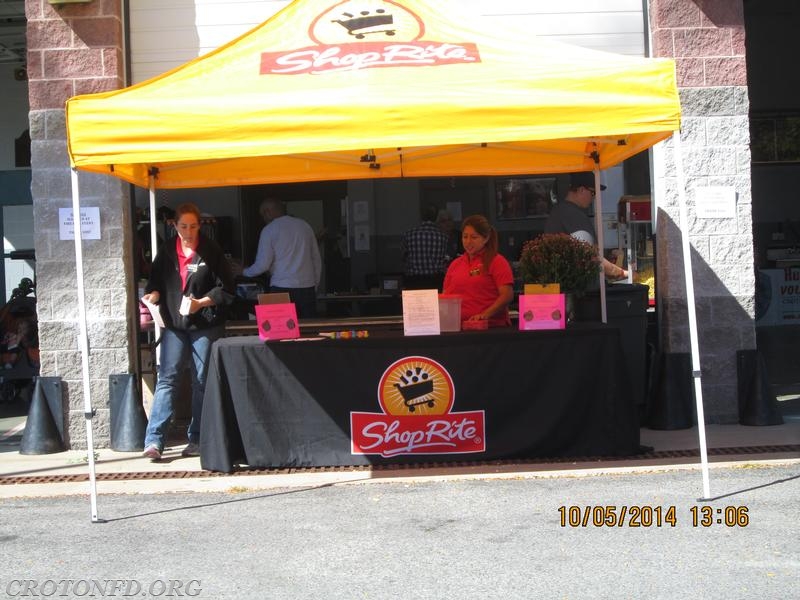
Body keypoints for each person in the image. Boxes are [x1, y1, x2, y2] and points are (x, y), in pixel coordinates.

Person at [141, 203, 235, 460]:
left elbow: (226, 289)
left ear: (199, 226)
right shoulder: (167, 250)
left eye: (193, 226)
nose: (189, 231)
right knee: (167, 378)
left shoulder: (210, 250)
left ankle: (197, 437)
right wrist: (155, 293)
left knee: (201, 380)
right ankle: (154, 441)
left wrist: (201, 303)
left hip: (204, 324)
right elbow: (156, 281)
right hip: (174, 324)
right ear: (174, 225)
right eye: (184, 226)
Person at [243, 198, 322, 318]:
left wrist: (244, 272)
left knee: (281, 331)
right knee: (309, 330)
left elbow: (263, 265)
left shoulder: (269, 230)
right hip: (307, 286)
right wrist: (314, 284)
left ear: (267, 212)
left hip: (281, 287)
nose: (263, 219)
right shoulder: (305, 226)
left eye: (262, 214)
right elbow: (316, 259)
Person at [544, 172, 628, 281]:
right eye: (593, 193)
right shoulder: (573, 214)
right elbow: (590, 257)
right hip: (581, 291)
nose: (594, 198)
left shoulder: (559, 211)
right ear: (581, 190)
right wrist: (621, 272)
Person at [443, 214, 514, 327]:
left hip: (490, 327)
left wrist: (485, 315)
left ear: (485, 238)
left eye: (474, 237)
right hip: (459, 328)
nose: (468, 241)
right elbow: (445, 297)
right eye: (465, 237)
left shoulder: (496, 261)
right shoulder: (455, 264)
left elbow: (507, 295)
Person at [402, 204, 449, 290]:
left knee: (414, 304)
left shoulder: (409, 235)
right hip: (435, 281)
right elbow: (446, 259)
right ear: (436, 217)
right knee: (436, 303)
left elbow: (404, 258)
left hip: (414, 281)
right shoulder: (443, 236)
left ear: (421, 216)